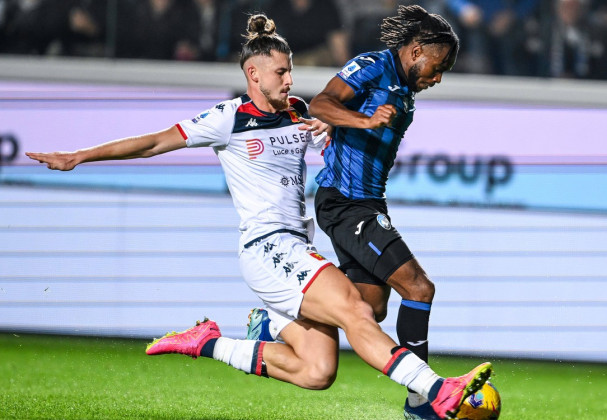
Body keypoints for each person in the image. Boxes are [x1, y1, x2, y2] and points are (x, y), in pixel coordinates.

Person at [26, 13, 492, 420]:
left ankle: (211, 342)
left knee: (318, 370)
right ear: (253, 73)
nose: (291, 80)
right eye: (281, 72)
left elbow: (329, 134)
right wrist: (80, 156)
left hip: (298, 247)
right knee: (356, 311)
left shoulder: (298, 114)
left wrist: (333, 132)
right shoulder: (228, 118)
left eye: (289, 71)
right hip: (267, 247)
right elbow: (152, 142)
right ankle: (433, 391)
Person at [301, 5, 462, 420]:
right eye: (437, 66)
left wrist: (355, 124)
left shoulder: (406, 92)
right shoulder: (373, 65)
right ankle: (422, 400)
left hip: (367, 202)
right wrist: (364, 120)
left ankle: (281, 313)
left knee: (368, 309)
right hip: (344, 201)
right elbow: (320, 103)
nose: (438, 77)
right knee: (419, 288)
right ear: (416, 51)